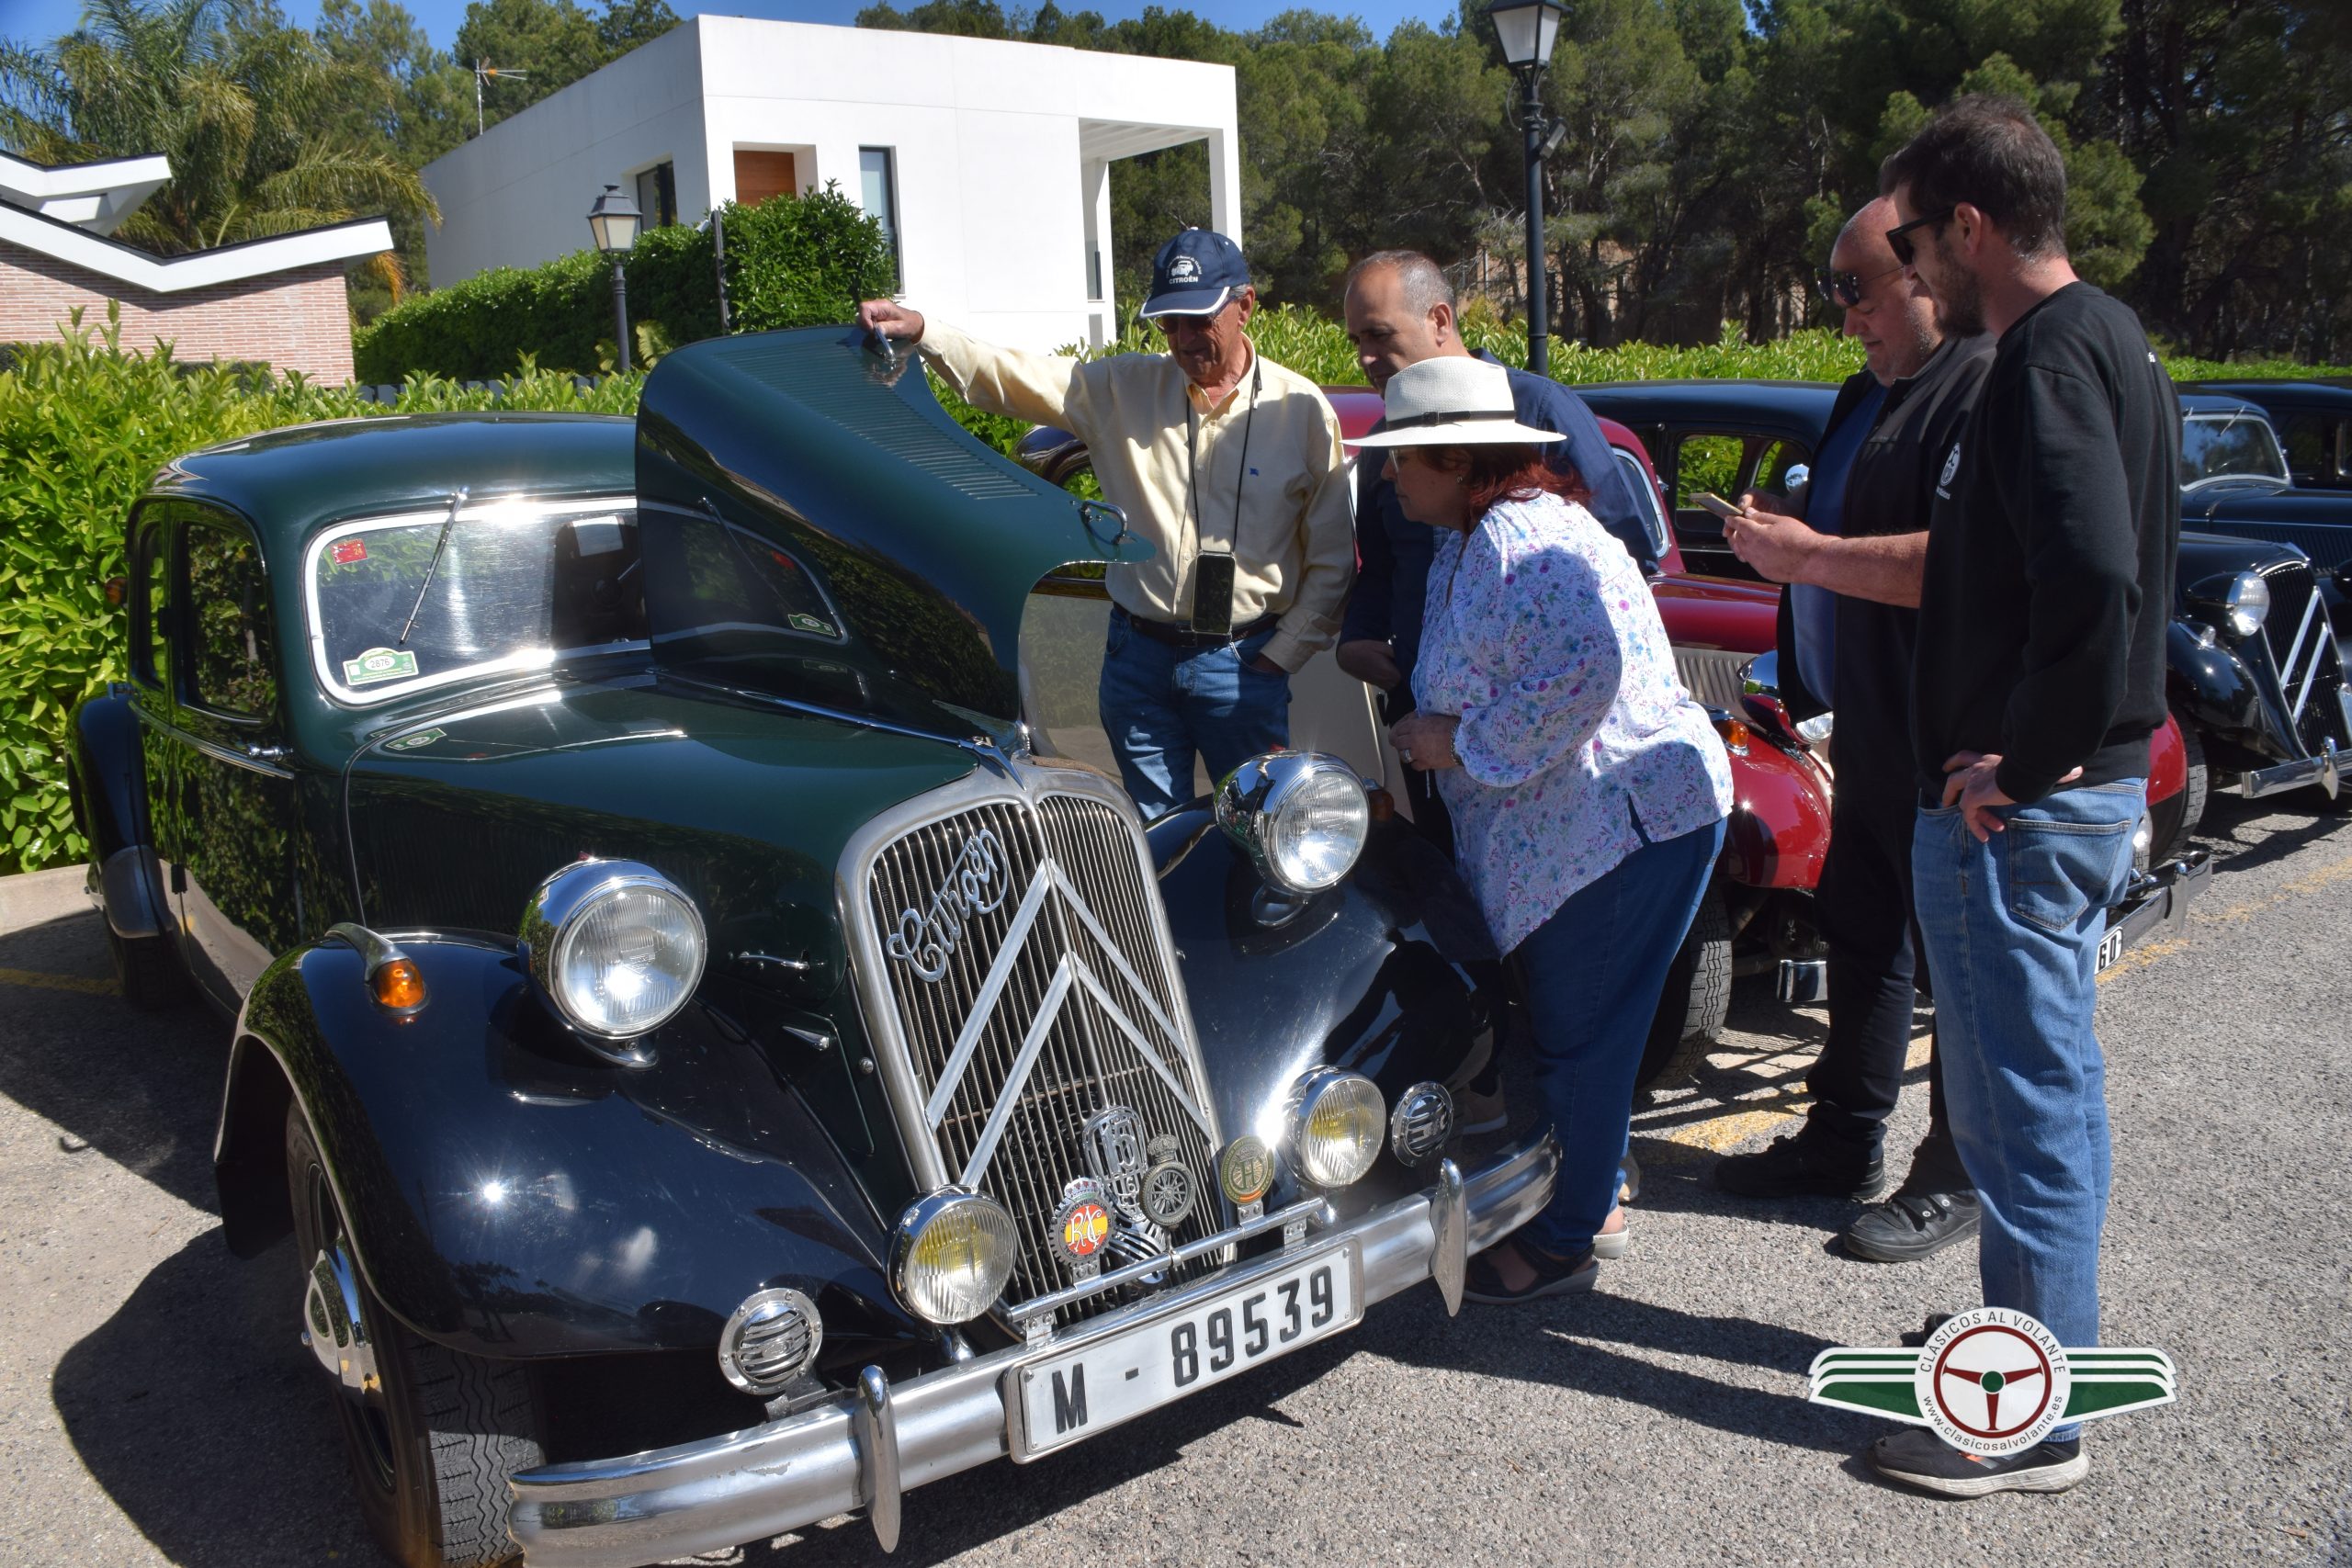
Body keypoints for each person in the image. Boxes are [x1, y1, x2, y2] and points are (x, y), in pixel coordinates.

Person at [1866, 95, 2179, 1497]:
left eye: (1918, 236)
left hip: (2031, 806)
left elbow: (2098, 575)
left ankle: (2025, 1414)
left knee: (2017, 1103)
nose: (1909, 262)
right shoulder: (2104, 335)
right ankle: (2039, 1342)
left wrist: (2031, 759)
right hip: (2062, 797)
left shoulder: (2047, 357)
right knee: (2041, 1094)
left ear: (1974, 226)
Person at [1354, 356, 1732, 1303]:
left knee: (1581, 1040)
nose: (1390, 476)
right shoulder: (1476, 536)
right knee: (1576, 1034)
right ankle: (1584, 1197)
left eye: (1404, 460)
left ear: (1457, 458)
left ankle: (1566, 1238)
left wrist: (1459, 742)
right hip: (1591, 828)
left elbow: (1581, 672)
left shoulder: (1515, 540)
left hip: (1609, 831)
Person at [1708, 199, 1994, 1264]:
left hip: (1953, 743)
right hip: (1862, 730)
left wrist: (1809, 555)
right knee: (1864, 941)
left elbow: (1960, 562)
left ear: (1923, 273)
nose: (1841, 316)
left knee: (1960, 972)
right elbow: (1826, 547)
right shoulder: (1859, 395)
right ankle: (1841, 1140)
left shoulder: (1979, 389)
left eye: (1853, 288)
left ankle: (1955, 1173)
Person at [855, 229, 1353, 818]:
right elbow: (1011, 376)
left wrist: (1279, 656)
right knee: (1153, 830)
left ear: (1244, 306)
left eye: (1200, 321)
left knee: (1259, 834)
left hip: (1243, 666)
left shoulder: (1299, 409)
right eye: (1169, 324)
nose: (1184, 339)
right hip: (1137, 660)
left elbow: (1332, 555)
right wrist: (926, 332)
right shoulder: (1120, 388)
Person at [1337, 249, 1656, 861]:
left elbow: (1624, 554)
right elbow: (1378, 569)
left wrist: (1506, 721)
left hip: (1545, 737)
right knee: (1456, 888)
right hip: (1423, 715)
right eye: (1356, 341)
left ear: (1438, 318)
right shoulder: (1386, 439)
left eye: (1378, 335)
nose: (1365, 359)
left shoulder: (1537, 411)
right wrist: (1357, 637)